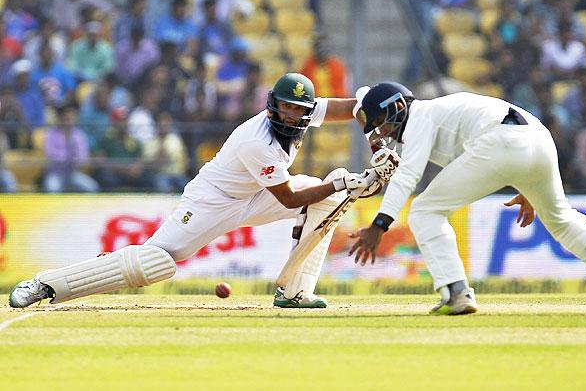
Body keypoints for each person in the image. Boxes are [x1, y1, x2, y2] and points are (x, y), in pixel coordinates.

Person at [9, 73, 382, 310]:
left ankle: (294, 291)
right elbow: (289, 199)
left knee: (329, 196)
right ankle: (46, 284)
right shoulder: (259, 140)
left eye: (296, 110)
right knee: (154, 263)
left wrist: (375, 111)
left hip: (253, 196)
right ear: (272, 105)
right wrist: (345, 182)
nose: (289, 115)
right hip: (212, 202)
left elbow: (349, 109)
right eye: (283, 107)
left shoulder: (303, 113)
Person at [348, 82, 586, 316]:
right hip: (537, 138)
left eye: (384, 123)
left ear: (398, 106)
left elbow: (407, 176)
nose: (386, 133)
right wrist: (528, 182)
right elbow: (492, 150)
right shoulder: (439, 114)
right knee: (562, 219)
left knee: (424, 210)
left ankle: (456, 292)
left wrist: (380, 224)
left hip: (502, 141)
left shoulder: (421, 115)